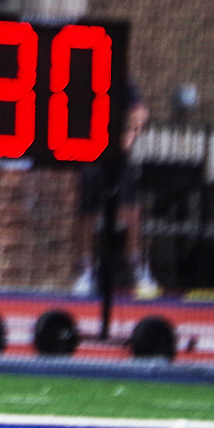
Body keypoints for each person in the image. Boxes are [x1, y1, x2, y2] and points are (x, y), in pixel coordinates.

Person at [71, 81, 152, 298]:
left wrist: (131, 136)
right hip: (89, 151)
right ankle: (87, 270)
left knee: (132, 211)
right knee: (86, 211)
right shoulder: (81, 77)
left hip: (117, 155)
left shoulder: (122, 80)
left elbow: (140, 111)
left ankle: (137, 267)